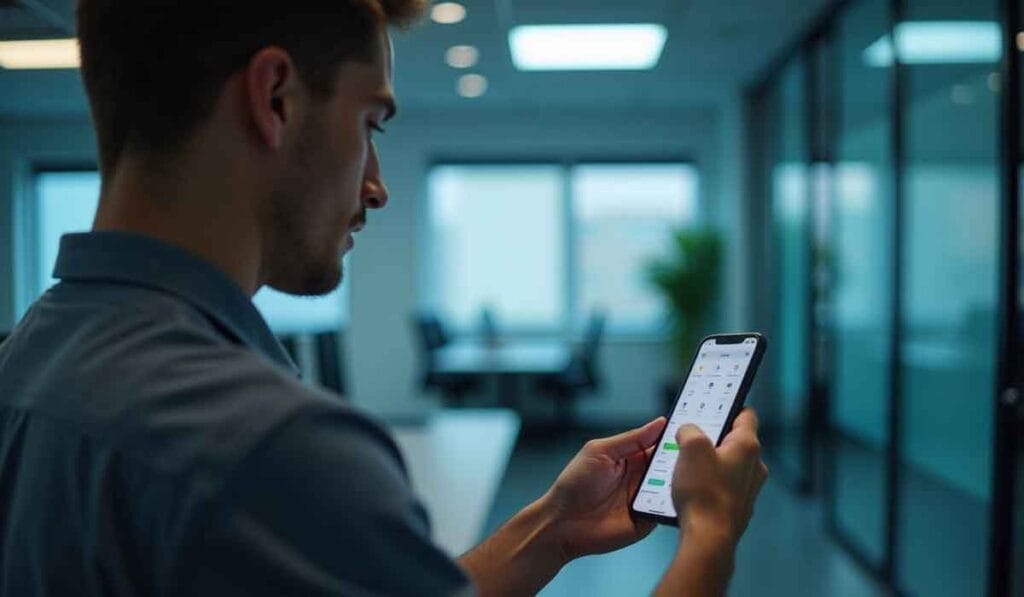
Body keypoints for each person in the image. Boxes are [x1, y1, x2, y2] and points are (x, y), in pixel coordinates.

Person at [0, 1, 768, 595]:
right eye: (370, 123)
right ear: (274, 98)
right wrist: (709, 534)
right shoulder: (273, 447)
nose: (376, 183)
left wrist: (553, 527)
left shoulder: (27, 354)